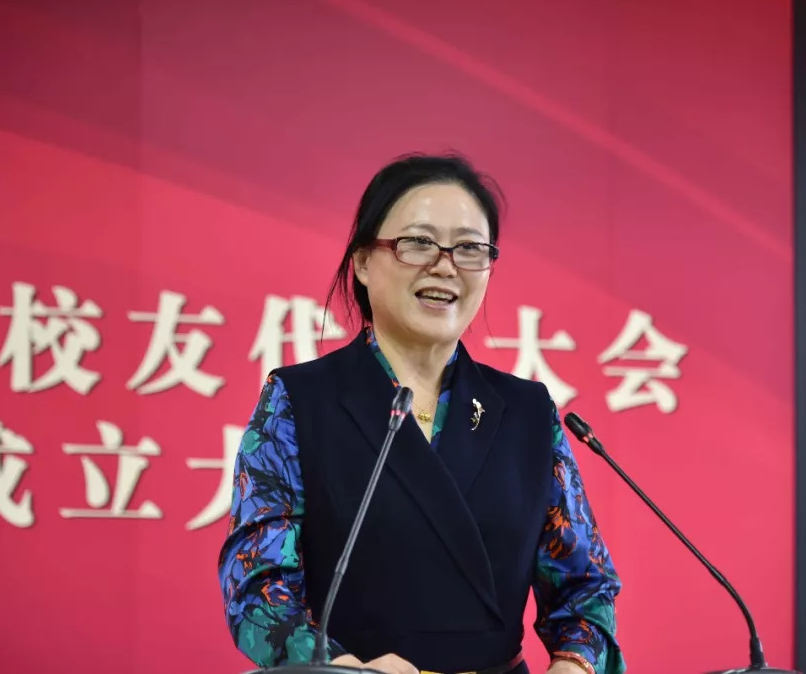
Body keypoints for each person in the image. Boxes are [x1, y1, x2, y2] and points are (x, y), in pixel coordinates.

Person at [218, 153, 625, 674]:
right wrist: (343, 671)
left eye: (470, 248)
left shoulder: (528, 412)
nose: (445, 265)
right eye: (418, 242)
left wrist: (576, 665)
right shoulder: (297, 401)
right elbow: (257, 584)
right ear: (363, 262)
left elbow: (585, 587)